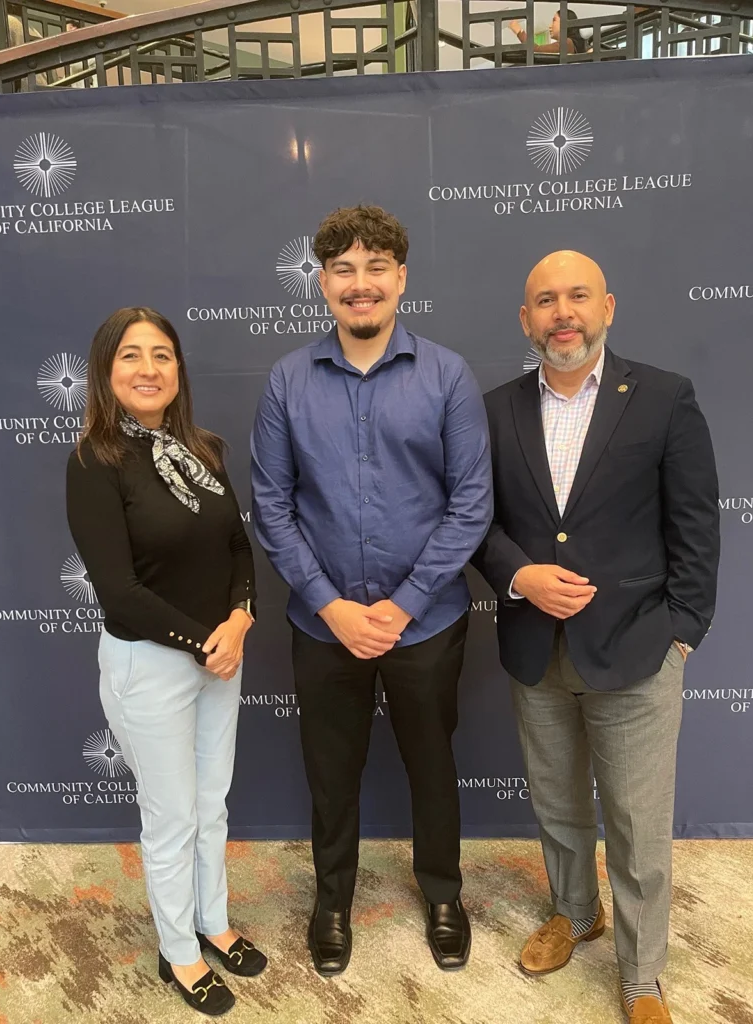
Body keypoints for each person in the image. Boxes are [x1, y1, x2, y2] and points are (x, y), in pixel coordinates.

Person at [471, 251, 719, 1024]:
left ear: (607, 306)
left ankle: (642, 977)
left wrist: (683, 631)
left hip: (640, 651)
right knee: (557, 804)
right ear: (526, 320)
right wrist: (521, 577)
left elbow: (695, 525)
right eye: (545, 300)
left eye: (577, 295)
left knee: (639, 825)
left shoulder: (665, 398)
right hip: (534, 650)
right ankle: (575, 915)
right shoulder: (494, 409)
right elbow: (478, 522)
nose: (562, 312)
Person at [251, 205, 492, 976]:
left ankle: (444, 894)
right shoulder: (288, 381)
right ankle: (331, 901)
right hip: (325, 627)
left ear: (401, 279)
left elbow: (471, 504)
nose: (362, 285)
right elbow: (272, 507)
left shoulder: (447, 375)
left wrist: (403, 604)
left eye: (376, 268)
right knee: (332, 768)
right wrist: (331, 604)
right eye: (345, 271)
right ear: (323, 284)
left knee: (432, 762)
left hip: (427, 622)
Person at [66, 307, 267, 1017]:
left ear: (178, 371)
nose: (149, 368)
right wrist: (206, 642)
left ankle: (213, 920)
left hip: (222, 654)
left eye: (162, 355)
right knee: (173, 817)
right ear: (105, 371)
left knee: (211, 804)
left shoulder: (202, 451)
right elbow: (119, 591)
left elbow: (240, 549)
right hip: (151, 666)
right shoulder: (94, 460)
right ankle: (178, 948)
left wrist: (241, 620)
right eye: (130, 356)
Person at [509, 8, 587, 54]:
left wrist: (519, 31)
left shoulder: (567, 43)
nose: (550, 26)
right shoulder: (573, 44)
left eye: (554, 20)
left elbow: (536, 50)